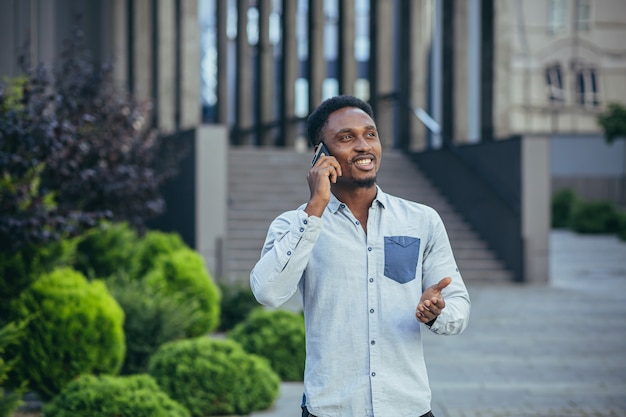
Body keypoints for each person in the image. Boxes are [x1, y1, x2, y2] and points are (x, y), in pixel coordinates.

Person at [250, 95, 470, 417]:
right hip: (332, 409)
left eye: (370, 134)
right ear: (320, 155)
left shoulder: (422, 220)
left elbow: (459, 306)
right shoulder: (294, 225)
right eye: (346, 137)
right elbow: (268, 292)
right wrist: (315, 209)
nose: (364, 146)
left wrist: (437, 312)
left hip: (408, 408)